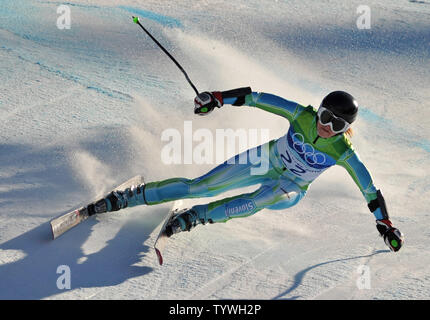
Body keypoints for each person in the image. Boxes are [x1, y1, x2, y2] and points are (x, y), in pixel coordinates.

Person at [89, 88, 404, 252]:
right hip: (265, 160)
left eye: (337, 124)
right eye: (324, 116)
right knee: (199, 186)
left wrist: (385, 223)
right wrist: (217, 99)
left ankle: (195, 217)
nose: (325, 126)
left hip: (291, 186)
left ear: (346, 129)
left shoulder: (343, 151)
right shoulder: (302, 116)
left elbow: (370, 191)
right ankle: (129, 197)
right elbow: (256, 98)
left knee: (260, 198)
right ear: (318, 110)